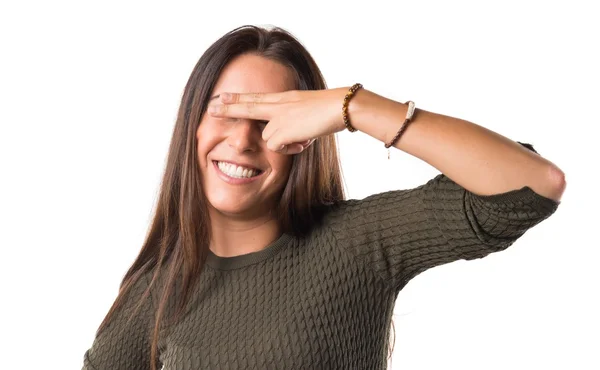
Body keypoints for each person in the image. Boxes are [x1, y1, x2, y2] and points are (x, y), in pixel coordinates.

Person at [81, 25, 566, 370]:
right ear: (192, 126)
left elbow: (532, 186)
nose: (243, 141)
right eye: (226, 113)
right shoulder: (157, 288)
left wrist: (355, 107)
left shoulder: (354, 244)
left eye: (269, 119)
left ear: (305, 139)